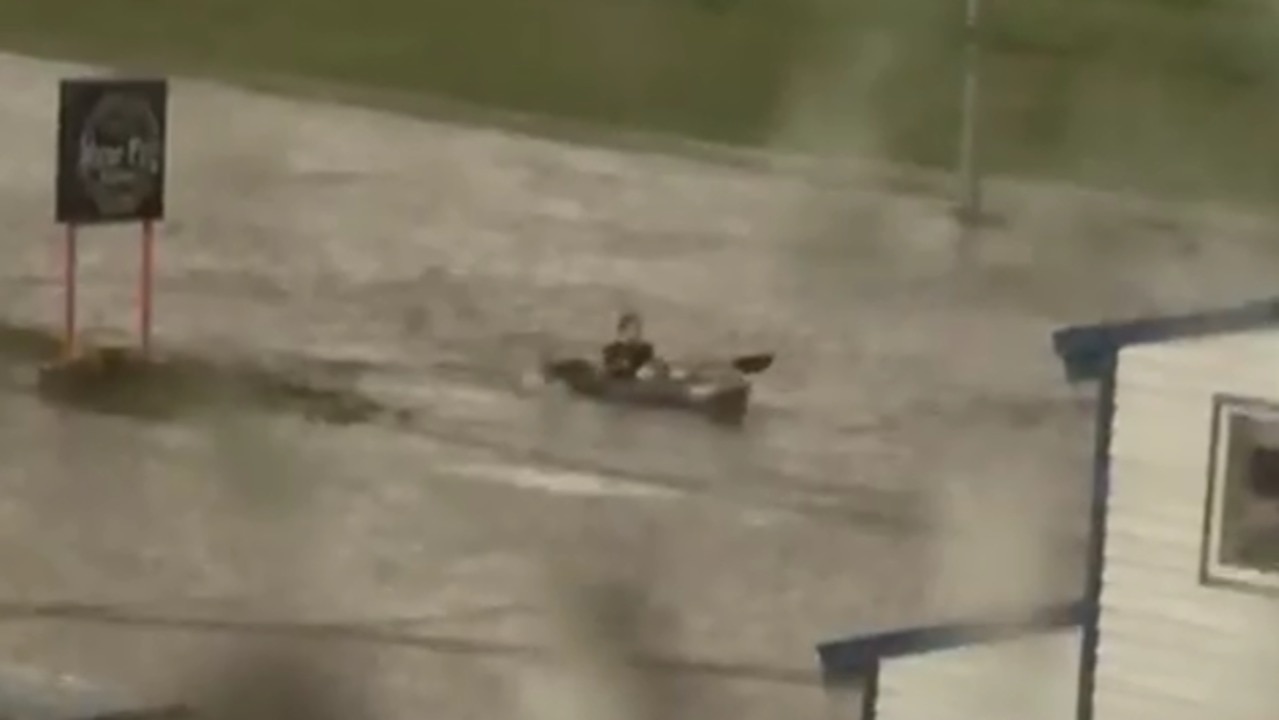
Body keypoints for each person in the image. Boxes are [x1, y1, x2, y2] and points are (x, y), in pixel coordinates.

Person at [601, 311, 660, 380]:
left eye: (639, 328)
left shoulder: (645, 349)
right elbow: (609, 371)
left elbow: (651, 367)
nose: (638, 332)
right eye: (634, 329)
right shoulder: (611, 350)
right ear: (623, 330)